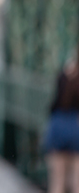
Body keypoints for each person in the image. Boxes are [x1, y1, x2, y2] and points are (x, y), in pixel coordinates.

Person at [43, 49, 79, 193]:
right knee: (76, 181)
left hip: (58, 126)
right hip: (76, 127)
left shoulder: (64, 73)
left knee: (57, 181)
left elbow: (54, 102)